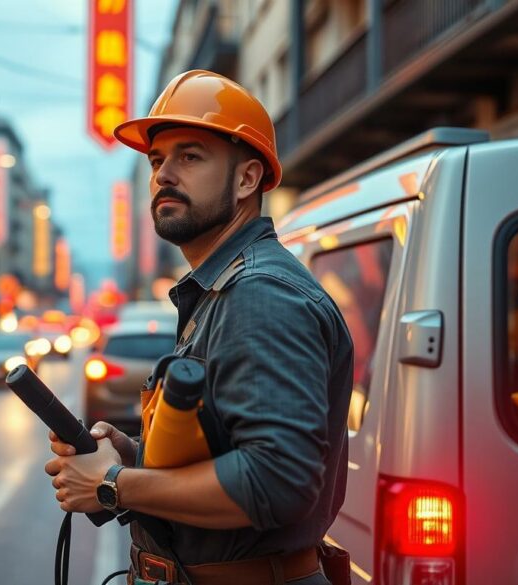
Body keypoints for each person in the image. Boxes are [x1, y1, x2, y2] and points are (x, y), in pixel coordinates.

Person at [45, 69, 354, 585]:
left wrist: (114, 485)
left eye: (190, 156)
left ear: (247, 179)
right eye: (157, 159)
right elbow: (226, 448)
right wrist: (133, 454)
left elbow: (276, 481)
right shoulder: (222, 288)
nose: (164, 174)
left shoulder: (259, 294)